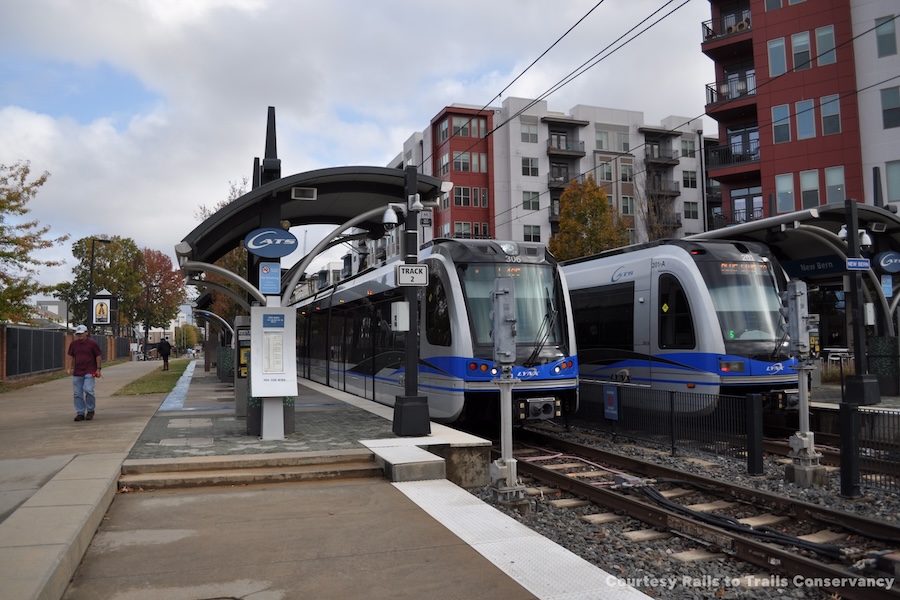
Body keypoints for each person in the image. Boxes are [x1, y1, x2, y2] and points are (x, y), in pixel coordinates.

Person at [66, 325, 102, 422]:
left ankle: (90, 410)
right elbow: (70, 356)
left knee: (88, 389)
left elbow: (98, 356)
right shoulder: (74, 344)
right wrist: (69, 367)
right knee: (77, 393)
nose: (80, 335)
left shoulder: (92, 343)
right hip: (78, 372)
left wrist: (98, 369)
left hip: (90, 370)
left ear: (86, 333)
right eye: (78, 334)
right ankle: (80, 413)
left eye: (81, 333)